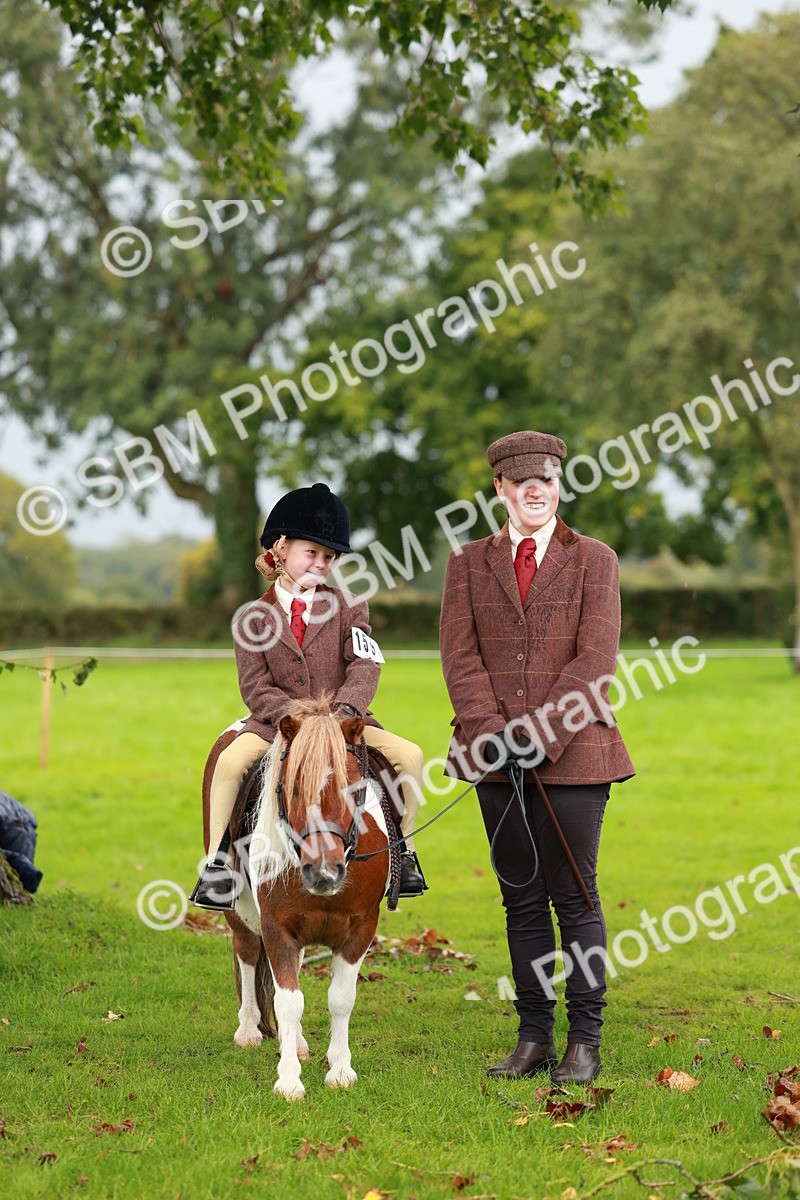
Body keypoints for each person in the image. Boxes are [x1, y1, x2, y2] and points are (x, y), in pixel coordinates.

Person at [439, 431, 634, 1085]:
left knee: (575, 899)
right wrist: (492, 732)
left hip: (576, 755)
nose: (535, 492)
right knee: (519, 902)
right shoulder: (466, 564)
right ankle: (533, 1038)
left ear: (558, 486)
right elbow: (460, 658)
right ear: (500, 489)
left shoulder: (595, 560)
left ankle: (585, 1040)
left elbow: (595, 660)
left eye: (546, 481)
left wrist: (540, 735)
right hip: (493, 760)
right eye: (522, 483)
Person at [192, 481, 427, 909]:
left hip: (344, 723)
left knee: (410, 757)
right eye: (311, 553)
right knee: (229, 762)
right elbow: (254, 685)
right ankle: (217, 865)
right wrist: (295, 720)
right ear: (280, 549)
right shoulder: (253, 617)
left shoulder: (350, 606)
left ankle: (404, 855)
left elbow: (364, 664)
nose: (321, 564)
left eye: (329, 557)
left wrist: (344, 712)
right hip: (276, 726)